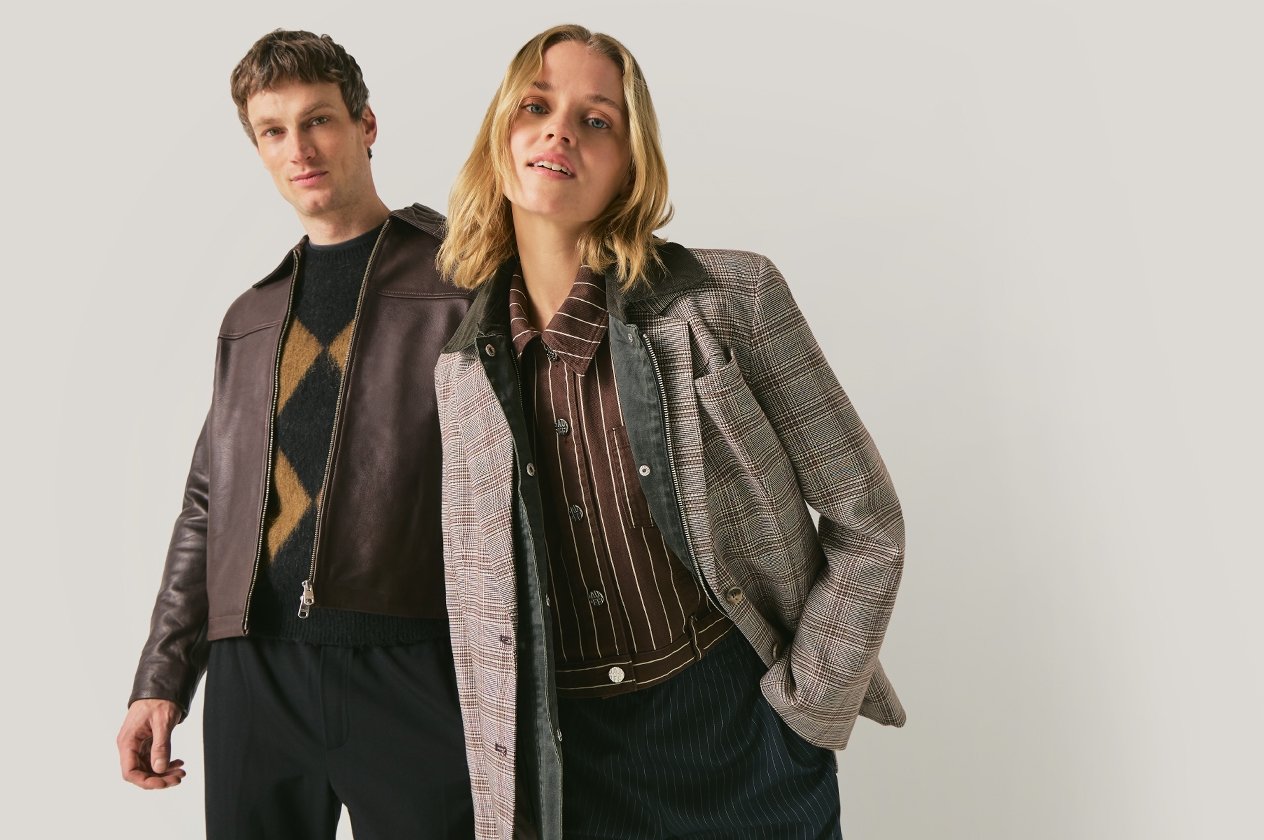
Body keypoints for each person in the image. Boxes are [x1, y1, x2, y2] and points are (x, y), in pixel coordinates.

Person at [433, 24, 907, 840]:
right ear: (500, 138)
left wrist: (806, 711)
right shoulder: (462, 372)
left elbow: (867, 518)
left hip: (740, 734)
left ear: (630, 164)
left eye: (596, 120)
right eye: (536, 107)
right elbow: (477, 609)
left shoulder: (732, 299)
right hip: (574, 766)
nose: (559, 131)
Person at [115, 29, 474, 839]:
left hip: (411, 661)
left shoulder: (459, 281)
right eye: (273, 131)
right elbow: (207, 503)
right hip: (255, 672)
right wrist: (161, 677)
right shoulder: (251, 316)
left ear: (366, 125)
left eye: (318, 121)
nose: (298, 149)